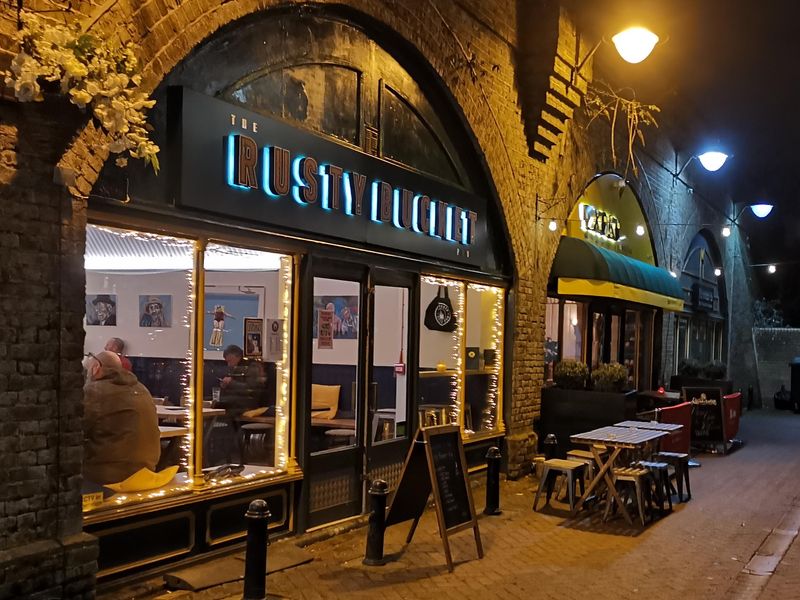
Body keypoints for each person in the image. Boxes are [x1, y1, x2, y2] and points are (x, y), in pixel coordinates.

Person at [82, 350, 160, 485]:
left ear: (96, 369)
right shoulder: (142, 389)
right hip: (146, 471)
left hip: (110, 475)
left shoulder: (94, 391)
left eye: (87, 371)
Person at [216, 344, 264, 463]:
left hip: (248, 404)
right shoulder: (235, 368)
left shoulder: (251, 367)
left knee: (226, 415)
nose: (228, 364)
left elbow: (251, 389)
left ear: (237, 356)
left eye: (230, 361)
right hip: (236, 402)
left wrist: (231, 383)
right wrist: (225, 385)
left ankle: (229, 452)